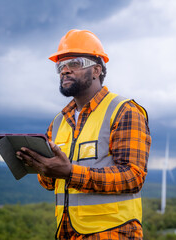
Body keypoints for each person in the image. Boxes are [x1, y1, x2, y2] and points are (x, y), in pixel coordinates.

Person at [16, 29, 151, 239]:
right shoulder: (59, 122)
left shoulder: (124, 111)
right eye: (61, 66)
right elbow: (49, 183)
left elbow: (132, 177)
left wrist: (70, 172)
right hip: (66, 233)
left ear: (97, 70)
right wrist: (41, 167)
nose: (65, 70)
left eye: (74, 63)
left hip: (113, 233)